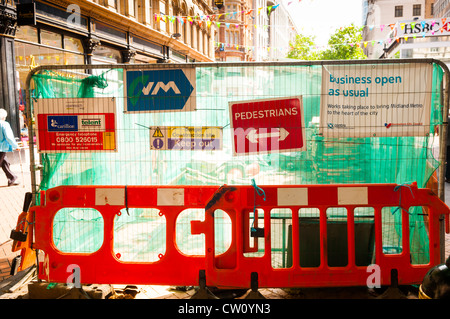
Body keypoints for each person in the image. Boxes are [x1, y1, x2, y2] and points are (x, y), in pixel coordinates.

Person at [0, 108, 20, 186]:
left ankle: (12, 178)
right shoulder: (4, 124)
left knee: (5, 163)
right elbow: (9, 137)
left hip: (2, 148)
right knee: (3, 162)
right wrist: (15, 146)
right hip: (1, 147)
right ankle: (12, 178)